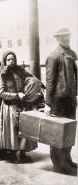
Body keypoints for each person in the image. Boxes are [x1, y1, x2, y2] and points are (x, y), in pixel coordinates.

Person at [45, 28, 77, 174]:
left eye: (68, 36)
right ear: (57, 38)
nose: (66, 38)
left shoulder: (71, 54)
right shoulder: (53, 56)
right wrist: (47, 103)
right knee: (57, 132)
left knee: (70, 130)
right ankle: (58, 163)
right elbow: (50, 80)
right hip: (58, 100)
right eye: (63, 36)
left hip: (70, 99)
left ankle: (67, 158)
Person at [0, 51, 37, 163]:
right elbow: (1, 93)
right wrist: (16, 95)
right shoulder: (2, 74)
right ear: (4, 61)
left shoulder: (20, 71)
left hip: (22, 104)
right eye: (8, 60)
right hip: (10, 106)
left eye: (13, 59)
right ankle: (12, 154)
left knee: (24, 129)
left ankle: (23, 153)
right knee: (12, 131)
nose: (11, 61)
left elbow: (31, 80)